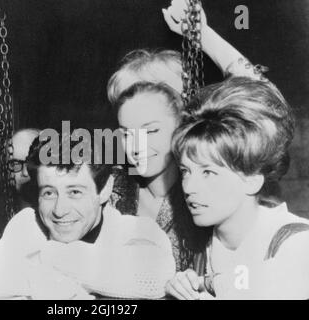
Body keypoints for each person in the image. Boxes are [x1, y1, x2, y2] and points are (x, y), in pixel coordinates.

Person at [107, 0, 267, 271]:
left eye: (151, 126)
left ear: (183, 118)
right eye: (127, 128)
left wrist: (202, 35)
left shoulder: (210, 191)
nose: (137, 144)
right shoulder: (111, 189)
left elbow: (263, 100)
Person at [0, 131, 176, 299]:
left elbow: (156, 279)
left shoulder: (137, 230)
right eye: (49, 193)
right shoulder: (28, 222)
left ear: (105, 189)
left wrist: (47, 257)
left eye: (75, 192)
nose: (60, 210)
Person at [165, 77, 309, 300]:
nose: (188, 187)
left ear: (252, 180)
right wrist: (182, 287)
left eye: (208, 172)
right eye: (185, 171)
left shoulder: (296, 245)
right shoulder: (201, 251)